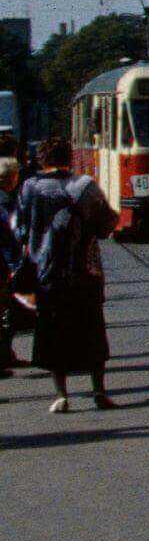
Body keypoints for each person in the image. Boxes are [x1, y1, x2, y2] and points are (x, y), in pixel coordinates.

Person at [16, 138, 118, 412]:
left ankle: (61, 395)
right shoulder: (84, 186)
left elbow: (22, 229)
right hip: (84, 270)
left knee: (53, 332)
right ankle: (99, 392)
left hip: (45, 272)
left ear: (42, 159)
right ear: (69, 158)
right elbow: (107, 224)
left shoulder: (29, 188)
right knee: (93, 332)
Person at [0, 156, 23, 376]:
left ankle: (6, 355)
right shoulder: (5, 201)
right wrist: (14, 263)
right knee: (4, 310)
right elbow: (9, 234)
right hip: (3, 262)